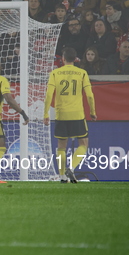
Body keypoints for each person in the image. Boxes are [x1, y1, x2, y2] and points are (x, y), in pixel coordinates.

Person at [44, 47, 96, 183]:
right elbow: (90, 95)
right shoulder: (82, 73)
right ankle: (71, 168)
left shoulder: (55, 73)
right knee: (83, 143)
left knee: (61, 146)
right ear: (76, 59)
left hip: (61, 114)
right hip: (77, 114)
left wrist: (45, 114)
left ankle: (62, 176)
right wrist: (93, 112)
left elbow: (49, 95)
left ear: (63, 58)